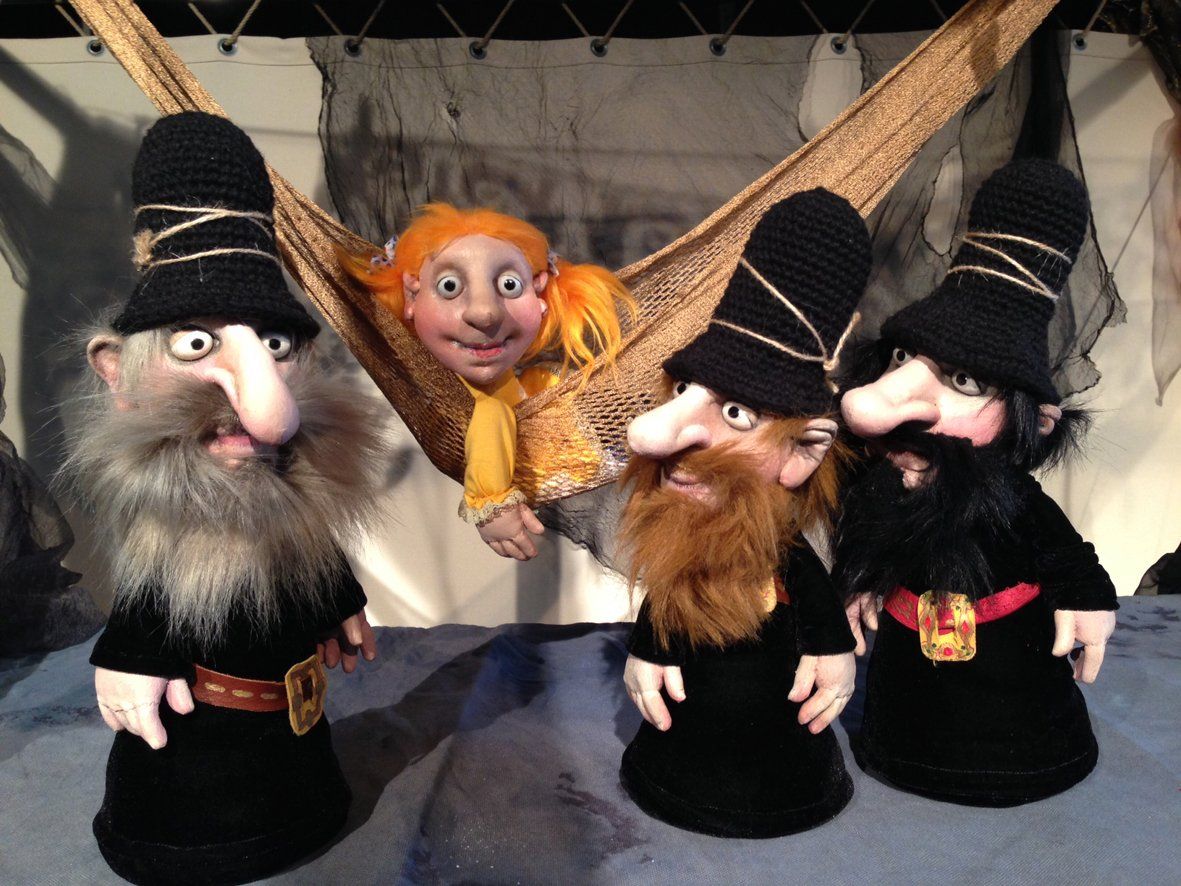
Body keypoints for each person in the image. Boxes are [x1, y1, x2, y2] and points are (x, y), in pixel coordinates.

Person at [64, 112, 388, 884]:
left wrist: (332, 587)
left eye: (274, 344)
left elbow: (291, 540)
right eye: (197, 343)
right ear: (117, 373)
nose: (264, 408)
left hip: (299, 751)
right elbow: (161, 577)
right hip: (190, 781)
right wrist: (131, 655)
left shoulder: (284, 479)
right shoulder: (168, 501)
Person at [834, 158, 1118, 806]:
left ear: (1034, 420)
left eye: (964, 381)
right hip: (902, 707)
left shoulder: (1011, 498)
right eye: (902, 358)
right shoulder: (889, 481)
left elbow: (1063, 552)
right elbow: (872, 540)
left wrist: (1085, 596)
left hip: (1015, 716)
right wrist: (859, 579)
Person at [617, 189, 870, 837]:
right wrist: (648, 649)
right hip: (680, 749)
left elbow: (813, 596)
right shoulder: (683, 535)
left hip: (783, 758)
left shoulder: (784, 553)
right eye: (681, 391)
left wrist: (833, 649)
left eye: (735, 413)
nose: (653, 435)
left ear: (804, 452)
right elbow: (669, 597)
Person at [340, 205, 634, 560]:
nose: (485, 313)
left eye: (509, 285)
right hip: (569, 454)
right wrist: (491, 504)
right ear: (412, 297)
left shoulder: (529, 383)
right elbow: (491, 420)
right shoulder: (481, 405)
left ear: (540, 297)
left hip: (575, 431)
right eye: (450, 286)